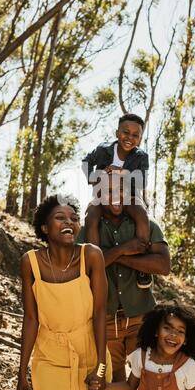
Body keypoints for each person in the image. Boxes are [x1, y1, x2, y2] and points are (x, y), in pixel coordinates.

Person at [77, 173, 171, 390]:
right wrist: (124, 250)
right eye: (107, 191)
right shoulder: (89, 229)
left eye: (120, 190)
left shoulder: (147, 226)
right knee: (115, 384)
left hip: (141, 318)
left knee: (152, 381)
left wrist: (117, 256)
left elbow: (163, 266)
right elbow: (85, 267)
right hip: (105, 322)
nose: (115, 196)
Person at [16, 194, 113, 390]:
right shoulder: (29, 262)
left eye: (74, 218)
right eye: (60, 217)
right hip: (50, 359)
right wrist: (22, 372)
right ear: (45, 228)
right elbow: (31, 319)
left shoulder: (91, 256)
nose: (69, 221)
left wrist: (100, 367)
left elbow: (100, 313)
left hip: (91, 357)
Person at [90, 303, 195, 390]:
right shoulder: (141, 357)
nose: (173, 335)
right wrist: (105, 387)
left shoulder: (188, 366)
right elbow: (130, 386)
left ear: (186, 339)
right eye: (167, 328)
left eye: (180, 331)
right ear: (156, 331)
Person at [82, 114, 151, 289]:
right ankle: (96, 261)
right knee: (91, 216)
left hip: (128, 197)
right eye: (125, 132)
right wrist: (96, 177)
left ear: (140, 139)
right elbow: (86, 162)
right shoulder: (103, 150)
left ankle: (143, 265)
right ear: (117, 132)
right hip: (103, 195)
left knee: (142, 214)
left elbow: (142, 180)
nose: (130, 138)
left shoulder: (141, 156)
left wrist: (122, 172)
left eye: (136, 135)